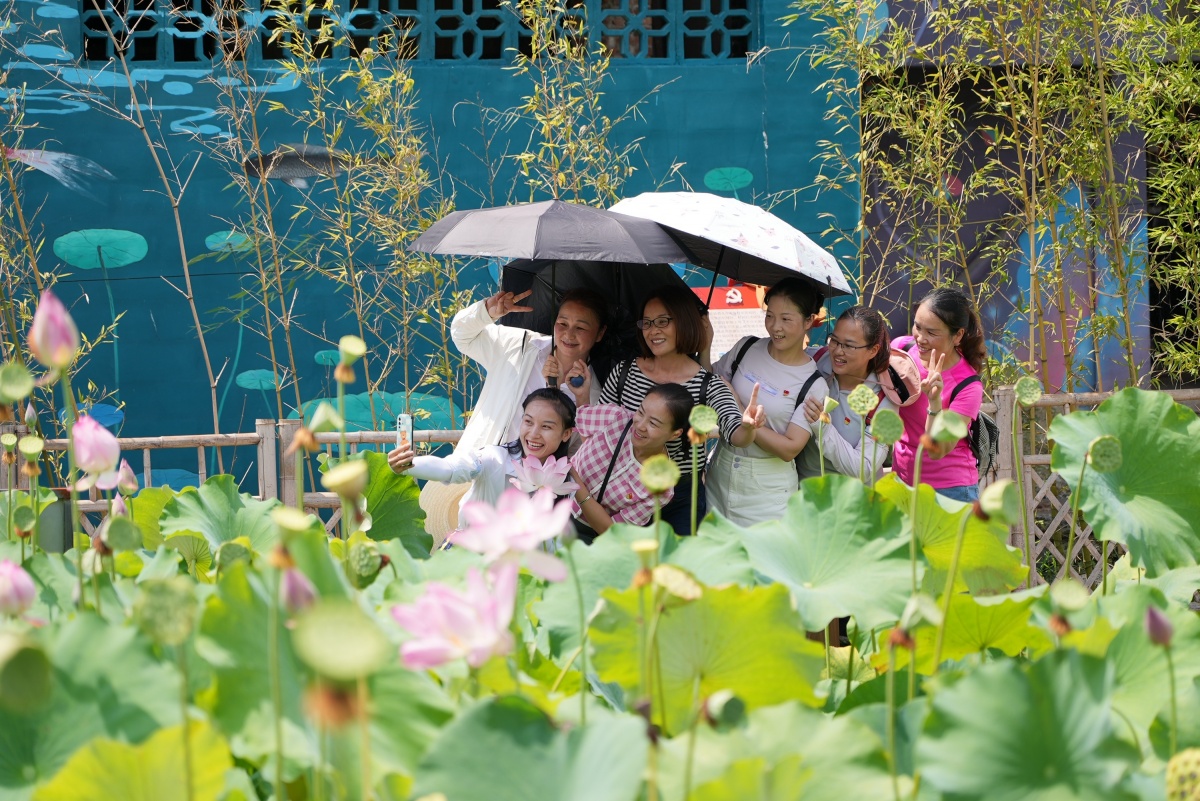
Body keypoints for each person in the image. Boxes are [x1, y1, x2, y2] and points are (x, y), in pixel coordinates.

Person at [418, 287, 608, 536]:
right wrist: (488, 311)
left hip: (535, 499)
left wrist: (580, 400)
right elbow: (462, 336)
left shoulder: (594, 392)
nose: (568, 334)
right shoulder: (519, 346)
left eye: (581, 327)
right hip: (486, 474)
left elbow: (579, 456)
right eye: (562, 323)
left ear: (600, 333)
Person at [576, 284, 762, 536]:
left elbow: (736, 433)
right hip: (621, 491)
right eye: (648, 323)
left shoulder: (707, 384)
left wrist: (748, 427)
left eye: (663, 321)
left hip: (679, 499)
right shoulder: (624, 372)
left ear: (684, 322)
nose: (654, 331)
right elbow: (598, 432)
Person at [704, 278, 830, 526]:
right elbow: (710, 385)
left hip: (768, 491)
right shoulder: (746, 347)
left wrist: (740, 410)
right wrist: (704, 345)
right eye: (769, 315)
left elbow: (789, 449)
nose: (774, 327)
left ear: (808, 321)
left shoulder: (814, 384)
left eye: (786, 319)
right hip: (721, 470)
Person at [391, 389, 576, 544]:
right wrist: (410, 465)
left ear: (566, 434)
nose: (533, 433)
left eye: (546, 427)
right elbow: (450, 467)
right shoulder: (493, 458)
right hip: (470, 556)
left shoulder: (566, 478)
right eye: (528, 422)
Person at [891, 287, 987, 503]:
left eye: (932, 332)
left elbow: (937, 451)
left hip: (949, 491)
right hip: (902, 481)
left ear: (958, 335)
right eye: (917, 326)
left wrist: (935, 402)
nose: (920, 338)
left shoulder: (968, 385)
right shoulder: (901, 351)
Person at [568, 384, 693, 541]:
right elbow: (580, 422)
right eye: (640, 412)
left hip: (586, 535)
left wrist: (574, 480)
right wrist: (580, 395)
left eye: (653, 423)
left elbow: (611, 531)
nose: (640, 425)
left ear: (675, 434)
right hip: (553, 500)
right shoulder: (616, 418)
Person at [797, 306, 905, 483]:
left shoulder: (884, 401)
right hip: (805, 497)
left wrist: (822, 426)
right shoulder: (812, 362)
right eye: (835, 341)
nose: (838, 351)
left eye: (849, 345)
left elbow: (863, 469)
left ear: (873, 350)